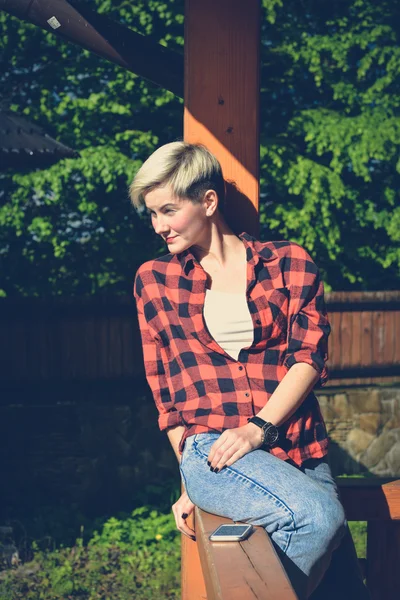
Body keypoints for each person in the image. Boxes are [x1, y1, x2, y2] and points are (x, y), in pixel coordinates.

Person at [130, 141, 371, 600]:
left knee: (343, 589)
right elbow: (168, 396)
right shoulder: (154, 281)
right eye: (152, 215)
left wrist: (259, 429)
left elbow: (309, 358)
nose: (159, 226)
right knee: (318, 519)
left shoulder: (289, 264)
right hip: (212, 453)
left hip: (297, 448)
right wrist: (192, 485)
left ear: (208, 201)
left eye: (167, 210)